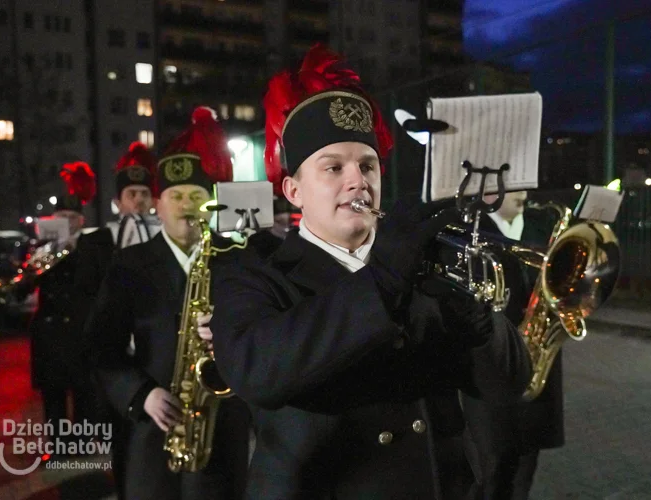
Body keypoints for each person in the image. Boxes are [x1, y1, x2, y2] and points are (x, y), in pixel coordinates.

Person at [205, 44, 532, 499]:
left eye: (367, 165)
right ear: (293, 190)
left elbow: (510, 384)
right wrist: (382, 280)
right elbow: (256, 371)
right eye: (333, 167)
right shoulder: (253, 271)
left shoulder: (419, 262)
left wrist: (477, 321)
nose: (357, 180)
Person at [84, 107, 251, 500]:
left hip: (223, 430)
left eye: (196, 195)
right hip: (154, 428)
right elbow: (100, 346)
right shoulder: (129, 264)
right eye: (175, 196)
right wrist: (141, 394)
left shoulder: (234, 258)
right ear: (158, 205)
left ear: (211, 201)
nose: (186, 205)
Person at [461, 190, 563, 500]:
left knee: (525, 466)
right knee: (489, 471)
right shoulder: (473, 231)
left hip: (538, 365)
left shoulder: (540, 227)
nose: (523, 193)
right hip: (493, 367)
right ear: (491, 190)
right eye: (515, 185)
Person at [74, 141, 158, 500]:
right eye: (131, 193)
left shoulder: (162, 237)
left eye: (143, 193)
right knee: (122, 443)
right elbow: (86, 300)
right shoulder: (98, 243)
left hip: (152, 353)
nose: (137, 200)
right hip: (117, 360)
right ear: (119, 200)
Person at [29, 161, 96, 429]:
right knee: (52, 398)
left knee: (84, 397)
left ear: (81, 221)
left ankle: (81, 445)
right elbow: (25, 286)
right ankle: (57, 448)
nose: (67, 224)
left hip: (80, 334)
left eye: (72, 219)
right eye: (62, 219)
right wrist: (39, 261)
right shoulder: (42, 250)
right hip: (49, 337)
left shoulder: (91, 249)